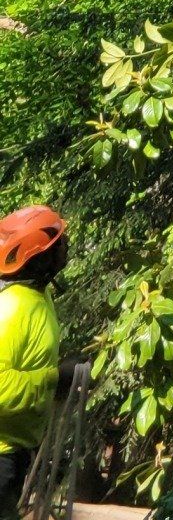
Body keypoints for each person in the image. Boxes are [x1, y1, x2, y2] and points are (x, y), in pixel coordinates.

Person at [0, 209, 67, 516]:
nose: (66, 247)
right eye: (59, 244)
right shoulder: (11, 310)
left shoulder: (38, 297)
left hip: (16, 450)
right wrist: (55, 379)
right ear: (38, 258)